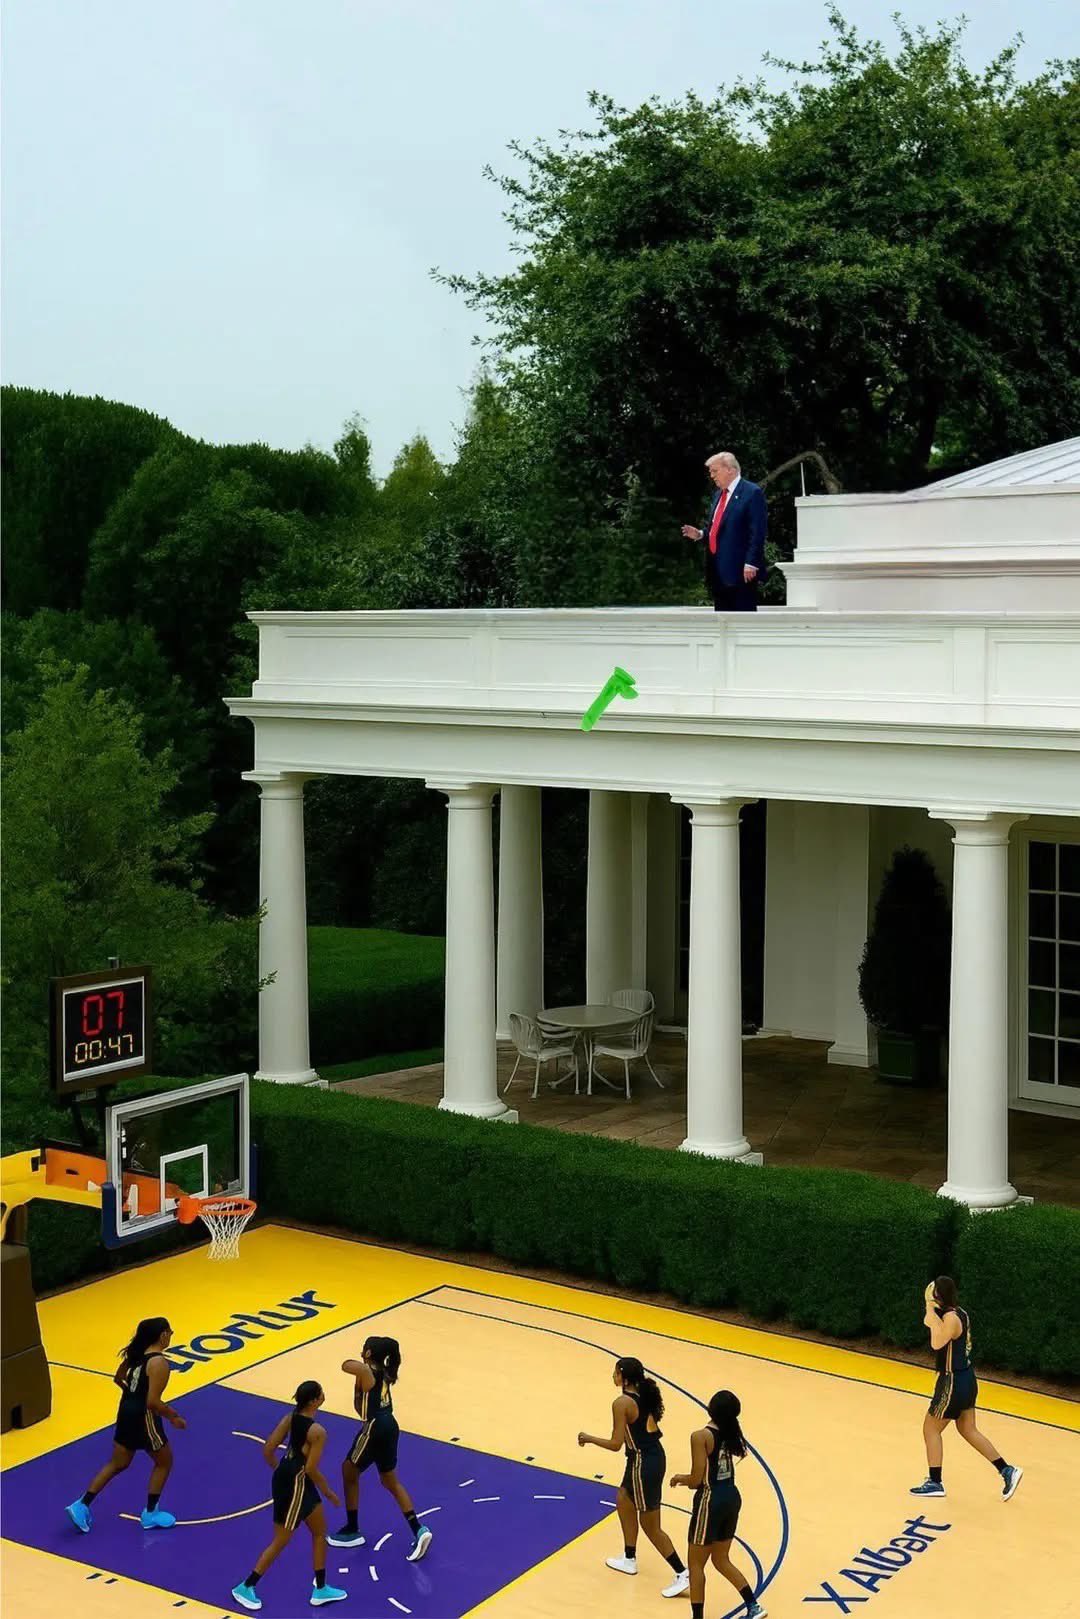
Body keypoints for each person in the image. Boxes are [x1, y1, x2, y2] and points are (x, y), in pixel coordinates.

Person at [577, 1355, 689, 1599]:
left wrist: (589, 1438)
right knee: (623, 1499)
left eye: (616, 1372)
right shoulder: (644, 1394)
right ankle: (629, 1557)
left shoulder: (622, 1403)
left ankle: (682, 1573)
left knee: (651, 1526)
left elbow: (616, 1444)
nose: (613, 1375)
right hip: (649, 1457)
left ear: (624, 1378)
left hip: (642, 1462)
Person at [231, 1380, 347, 1611]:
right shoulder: (318, 1432)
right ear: (314, 1401)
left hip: (291, 1478)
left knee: (319, 1532)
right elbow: (311, 1469)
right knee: (281, 1540)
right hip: (297, 1484)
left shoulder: (290, 1418)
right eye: (321, 1393)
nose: (324, 1395)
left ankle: (321, 1588)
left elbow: (268, 1449)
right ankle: (246, 1586)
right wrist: (328, 1491)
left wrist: (281, 1471)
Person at [66, 1316, 186, 1534]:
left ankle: (81, 1504)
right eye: (170, 1332)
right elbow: (152, 1402)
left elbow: (118, 1378)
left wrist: (132, 1394)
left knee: (118, 1463)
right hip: (144, 1417)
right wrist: (173, 1417)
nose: (171, 1336)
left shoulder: (135, 1356)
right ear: (162, 1335)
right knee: (164, 1461)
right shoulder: (158, 1363)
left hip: (125, 1411)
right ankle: (151, 1513)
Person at [910, 1276, 1023, 1501]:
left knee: (930, 1429)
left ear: (937, 1296)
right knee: (968, 1429)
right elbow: (931, 1324)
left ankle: (935, 1482)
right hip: (967, 1379)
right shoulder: (960, 1313)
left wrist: (930, 1312)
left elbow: (936, 1343)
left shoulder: (950, 1319)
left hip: (952, 1382)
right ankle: (1006, 1470)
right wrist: (931, 1313)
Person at [327, 1335, 432, 1563]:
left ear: (368, 1353)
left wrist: (361, 1365)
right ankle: (419, 1529)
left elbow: (346, 1365)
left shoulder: (368, 1372)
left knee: (348, 1470)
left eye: (363, 1348)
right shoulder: (383, 1371)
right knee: (390, 1481)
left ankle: (352, 1529)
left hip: (375, 1427)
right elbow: (360, 1405)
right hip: (390, 1424)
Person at [671, 1390, 767, 1619]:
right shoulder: (730, 1433)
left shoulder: (701, 1436)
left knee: (695, 1565)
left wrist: (680, 1478)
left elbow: (697, 1480)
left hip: (710, 1500)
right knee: (721, 1559)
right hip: (731, 1497)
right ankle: (753, 1606)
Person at [681, 451, 768, 612]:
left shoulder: (751, 492)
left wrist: (751, 563)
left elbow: (757, 532)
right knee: (722, 621)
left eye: (715, 471)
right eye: (711, 472)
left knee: (742, 620)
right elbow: (718, 529)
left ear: (730, 469)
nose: (712, 476)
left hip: (741, 572)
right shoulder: (718, 495)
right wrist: (700, 534)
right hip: (718, 573)